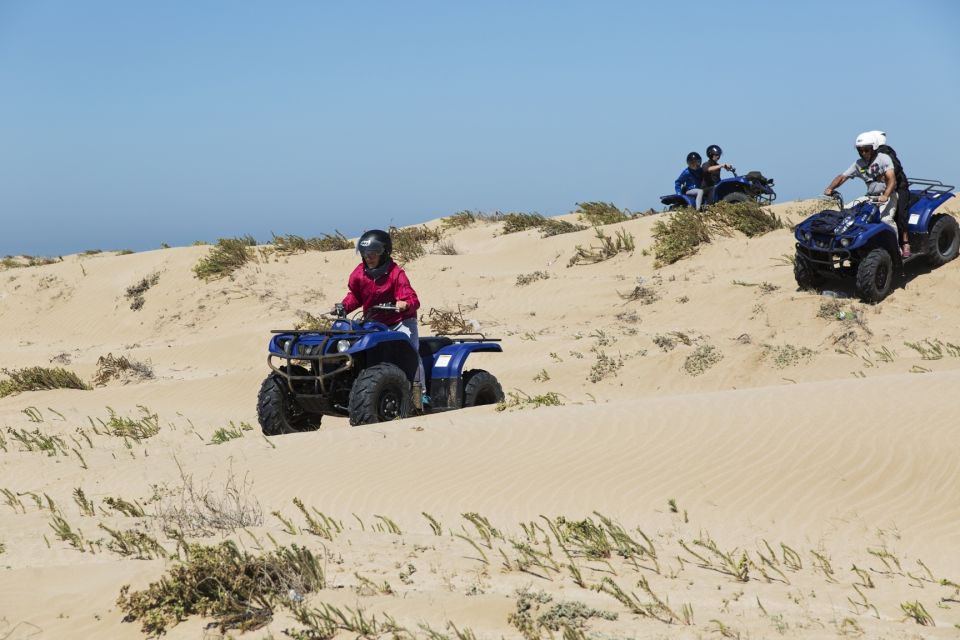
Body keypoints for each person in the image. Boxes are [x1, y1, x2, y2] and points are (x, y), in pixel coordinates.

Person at [336, 229, 427, 401]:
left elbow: (412, 298)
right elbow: (355, 296)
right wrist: (343, 307)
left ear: (384, 253)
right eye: (365, 253)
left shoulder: (396, 273)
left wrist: (404, 304)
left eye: (373, 253)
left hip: (400, 321)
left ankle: (420, 394)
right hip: (374, 324)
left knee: (411, 353)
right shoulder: (358, 274)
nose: (368, 257)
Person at [823, 131, 908, 256]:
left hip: (888, 196)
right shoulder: (859, 164)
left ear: (873, 148)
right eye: (860, 150)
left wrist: (885, 195)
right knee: (845, 212)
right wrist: (830, 188)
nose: (863, 153)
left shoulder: (883, 159)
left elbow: (891, 178)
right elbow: (843, 176)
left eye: (866, 150)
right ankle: (843, 246)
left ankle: (896, 250)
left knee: (886, 220)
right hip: (869, 196)